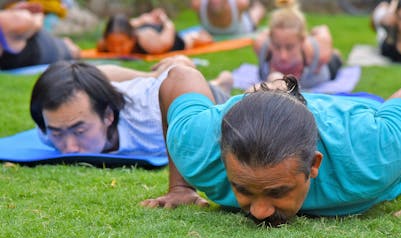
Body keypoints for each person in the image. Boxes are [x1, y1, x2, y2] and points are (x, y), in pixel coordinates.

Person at [140, 63, 401, 227]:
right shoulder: (197, 147)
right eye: (242, 188)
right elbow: (179, 77)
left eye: (276, 191)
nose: (259, 212)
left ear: (313, 166)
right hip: (261, 109)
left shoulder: (374, 153)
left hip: (353, 121)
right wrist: (180, 185)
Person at [29, 55, 233, 155]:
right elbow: (87, 74)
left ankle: (222, 82)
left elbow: (184, 76)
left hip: (200, 97)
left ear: (108, 116)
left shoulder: (152, 119)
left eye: (80, 130)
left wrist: (158, 74)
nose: (69, 147)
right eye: (57, 134)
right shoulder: (49, 127)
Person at [253, 0, 343, 89]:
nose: (283, 56)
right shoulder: (261, 46)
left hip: (324, 68)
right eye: (277, 46)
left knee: (336, 57)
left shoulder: (320, 53)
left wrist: (315, 31)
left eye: (290, 47)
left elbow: (323, 29)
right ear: (270, 39)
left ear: (302, 41)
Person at [97, 8, 213, 55]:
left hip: (171, 39)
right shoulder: (105, 43)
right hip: (146, 26)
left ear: (132, 39)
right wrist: (143, 19)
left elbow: (168, 38)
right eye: (112, 45)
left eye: (122, 44)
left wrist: (165, 21)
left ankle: (194, 35)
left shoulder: (149, 42)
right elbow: (126, 24)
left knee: (201, 40)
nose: (117, 49)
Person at [0, 5, 80, 70]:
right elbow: (36, 20)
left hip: (43, 48)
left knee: (73, 50)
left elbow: (36, 21)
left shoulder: (11, 21)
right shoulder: (14, 20)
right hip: (42, 50)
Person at [191, 0, 266, 36]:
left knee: (255, 16)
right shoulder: (197, 5)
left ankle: (258, 6)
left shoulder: (241, 3)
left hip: (245, 27)